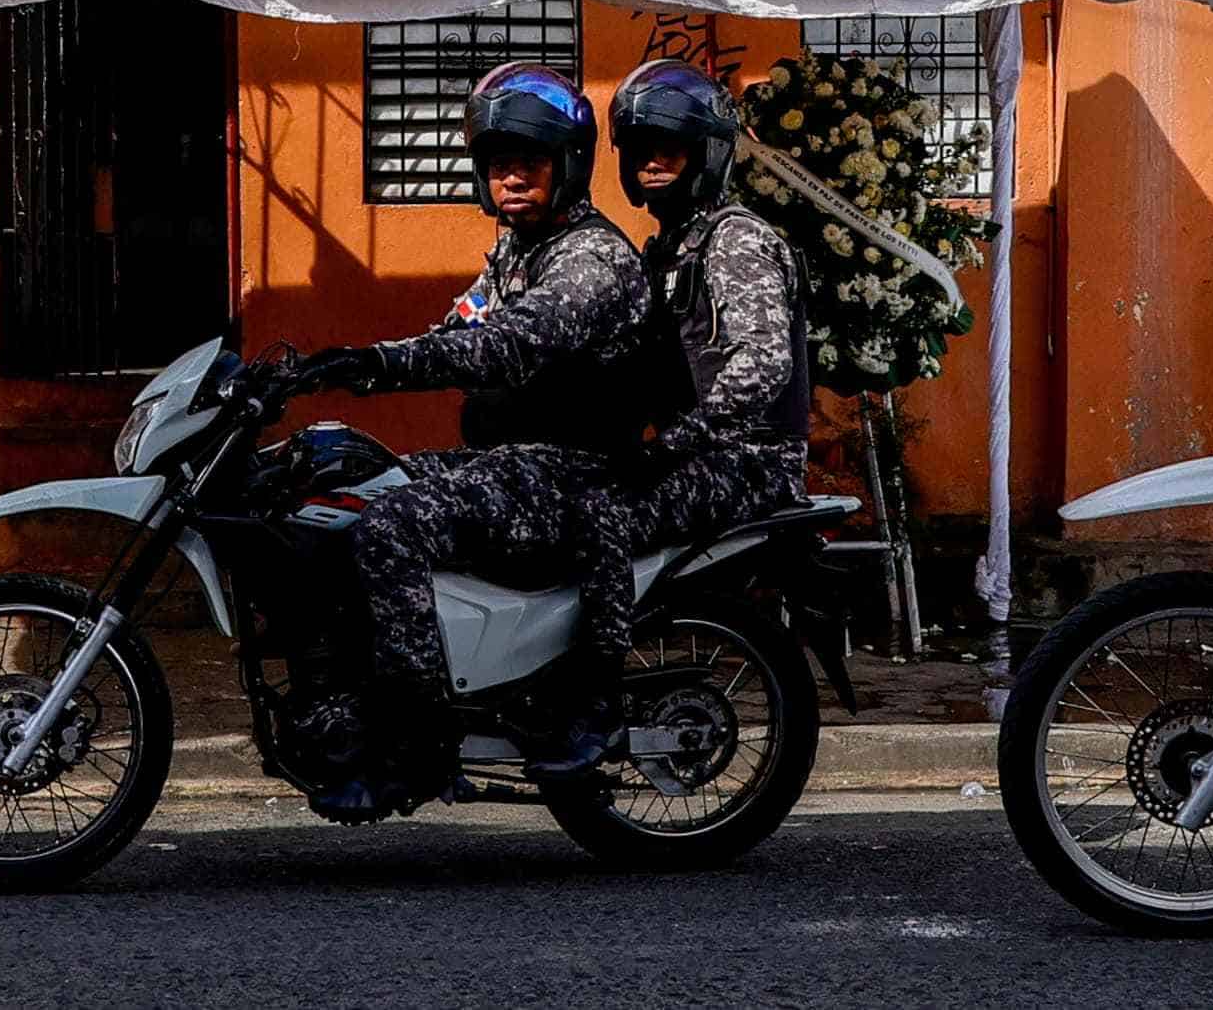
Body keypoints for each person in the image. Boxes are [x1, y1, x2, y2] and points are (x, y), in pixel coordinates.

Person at [259, 61, 646, 818]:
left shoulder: (592, 259)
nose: (511, 178)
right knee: (340, 488)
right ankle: (347, 705)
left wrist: (373, 365)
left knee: (392, 526)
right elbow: (453, 330)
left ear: (567, 165)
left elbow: (503, 347)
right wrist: (321, 369)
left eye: (528, 163)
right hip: (509, 464)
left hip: (571, 472)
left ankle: (415, 742)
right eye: (498, 164)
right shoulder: (515, 251)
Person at [573, 60, 812, 713]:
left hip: (748, 462)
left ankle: (588, 704)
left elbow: (762, 365)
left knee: (594, 516)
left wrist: (675, 440)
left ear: (704, 153)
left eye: (668, 147)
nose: (652, 160)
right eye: (640, 147)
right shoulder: (674, 245)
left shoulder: (735, 239)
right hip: (702, 455)